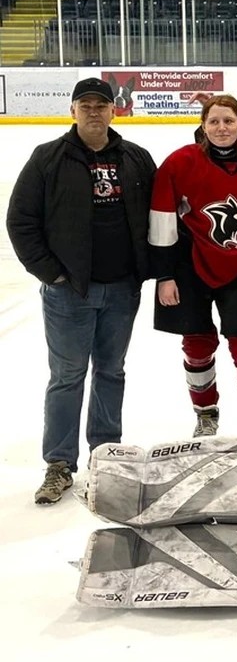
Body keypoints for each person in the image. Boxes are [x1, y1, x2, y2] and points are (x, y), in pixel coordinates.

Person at [7, 78, 156, 504]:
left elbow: (160, 216)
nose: (94, 111)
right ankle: (59, 464)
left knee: (111, 372)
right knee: (67, 376)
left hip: (122, 289)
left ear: (114, 110)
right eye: (85, 104)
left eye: (101, 105)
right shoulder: (47, 159)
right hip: (69, 292)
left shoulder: (135, 158)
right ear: (73, 110)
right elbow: (21, 221)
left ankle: (106, 455)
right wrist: (51, 274)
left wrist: (148, 271)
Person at [150, 94, 237, 437]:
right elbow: (162, 219)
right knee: (197, 344)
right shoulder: (179, 162)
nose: (221, 128)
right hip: (188, 267)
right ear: (202, 127)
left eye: (228, 121)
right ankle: (205, 414)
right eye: (213, 121)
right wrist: (164, 275)